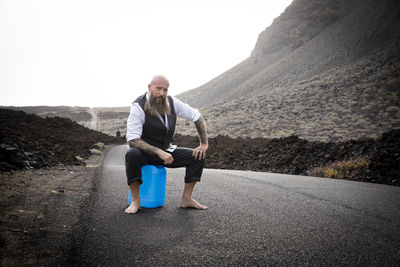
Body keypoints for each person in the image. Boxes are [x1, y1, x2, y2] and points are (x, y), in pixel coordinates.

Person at [125, 75, 208, 214]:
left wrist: (204, 144)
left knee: (197, 155)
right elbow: (132, 140)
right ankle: (135, 201)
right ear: (149, 87)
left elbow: (197, 117)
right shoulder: (138, 106)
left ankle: (186, 199)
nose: (162, 93)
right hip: (145, 154)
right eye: (158, 89)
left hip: (167, 151)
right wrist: (158, 151)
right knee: (132, 154)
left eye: (165, 90)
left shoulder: (172, 102)